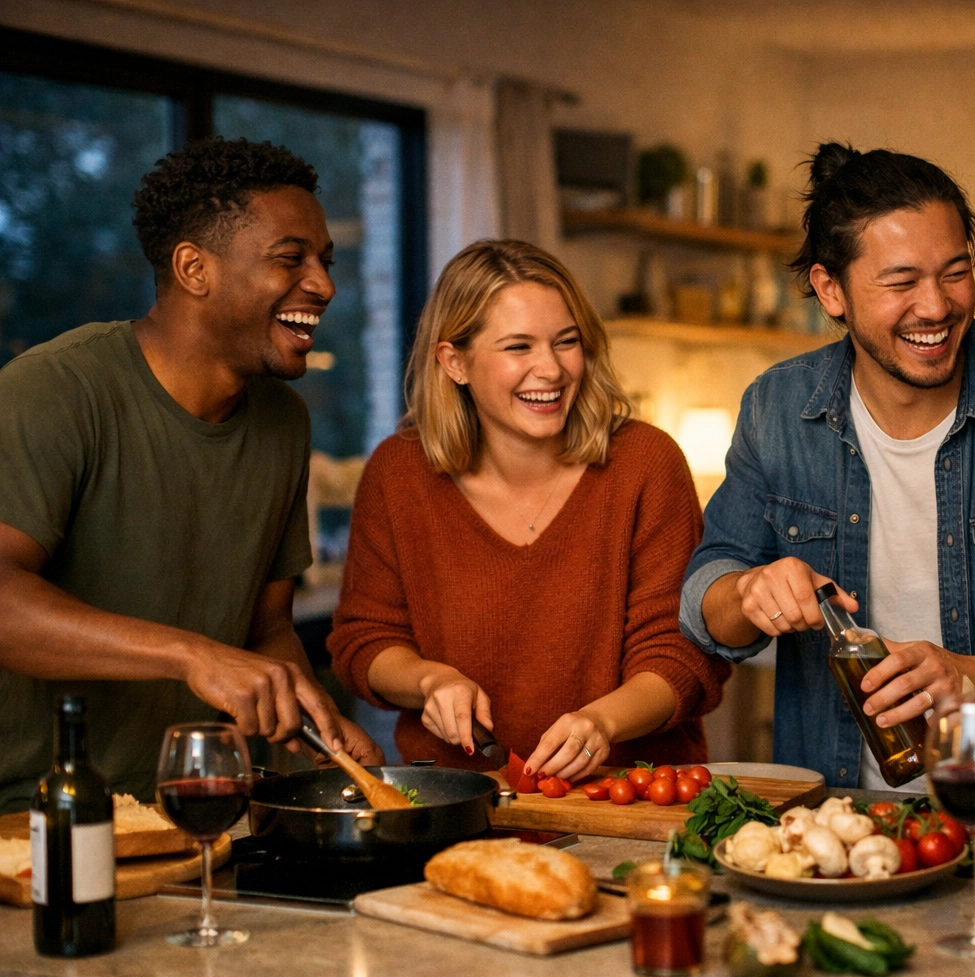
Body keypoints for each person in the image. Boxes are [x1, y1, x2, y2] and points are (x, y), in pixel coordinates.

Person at [680, 143, 975, 795]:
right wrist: (749, 590)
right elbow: (706, 605)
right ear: (830, 290)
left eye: (955, 273)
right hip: (835, 820)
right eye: (901, 283)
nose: (936, 307)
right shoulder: (777, 408)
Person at [0, 137, 382, 813]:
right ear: (193, 269)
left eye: (324, 261)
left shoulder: (282, 421)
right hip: (36, 818)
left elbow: (265, 632)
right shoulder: (57, 389)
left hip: (197, 812)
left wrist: (319, 726)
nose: (323, 285)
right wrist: (193, 656)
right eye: (291, 259)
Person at [328, 240, 728, 778]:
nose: (551, 369)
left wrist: (602, 724)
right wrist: (429, 681)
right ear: (454, 362)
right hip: (463, 805)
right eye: (518, 347)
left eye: (567, 342)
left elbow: (684, 654)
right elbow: (365, 639)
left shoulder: (645, 464)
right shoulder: (399, 474)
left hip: (634, 803)